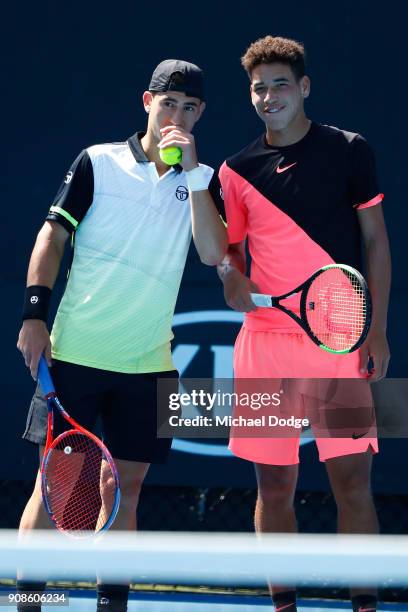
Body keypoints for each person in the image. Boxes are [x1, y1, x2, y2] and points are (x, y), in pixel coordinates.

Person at [16, 58, 227, 612]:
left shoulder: (204, 182)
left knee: (125, 492)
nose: (177, 116)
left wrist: (196, 176)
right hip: (76, 356)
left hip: (149, 363)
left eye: (189, 107)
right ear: (146, 103)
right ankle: (32, 603)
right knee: (55, 489)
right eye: (168, 104)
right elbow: (51, 236)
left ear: (200, 113)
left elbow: (211, 253)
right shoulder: (97, 162)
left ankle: (113, 605)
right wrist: (34, 314)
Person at [216, 36, 391, 612]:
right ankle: (284, 606)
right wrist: (231, 277)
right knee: (275, 486)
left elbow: (376, 242)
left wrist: (376, 329)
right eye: (259, 87)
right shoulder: (235, 171)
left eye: (280, 84)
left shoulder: (349, 149)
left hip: (339, 339)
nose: (269, 96)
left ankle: (364, 605)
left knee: (351, 483)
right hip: (265, 346)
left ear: (304, 87)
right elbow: (233, 255)